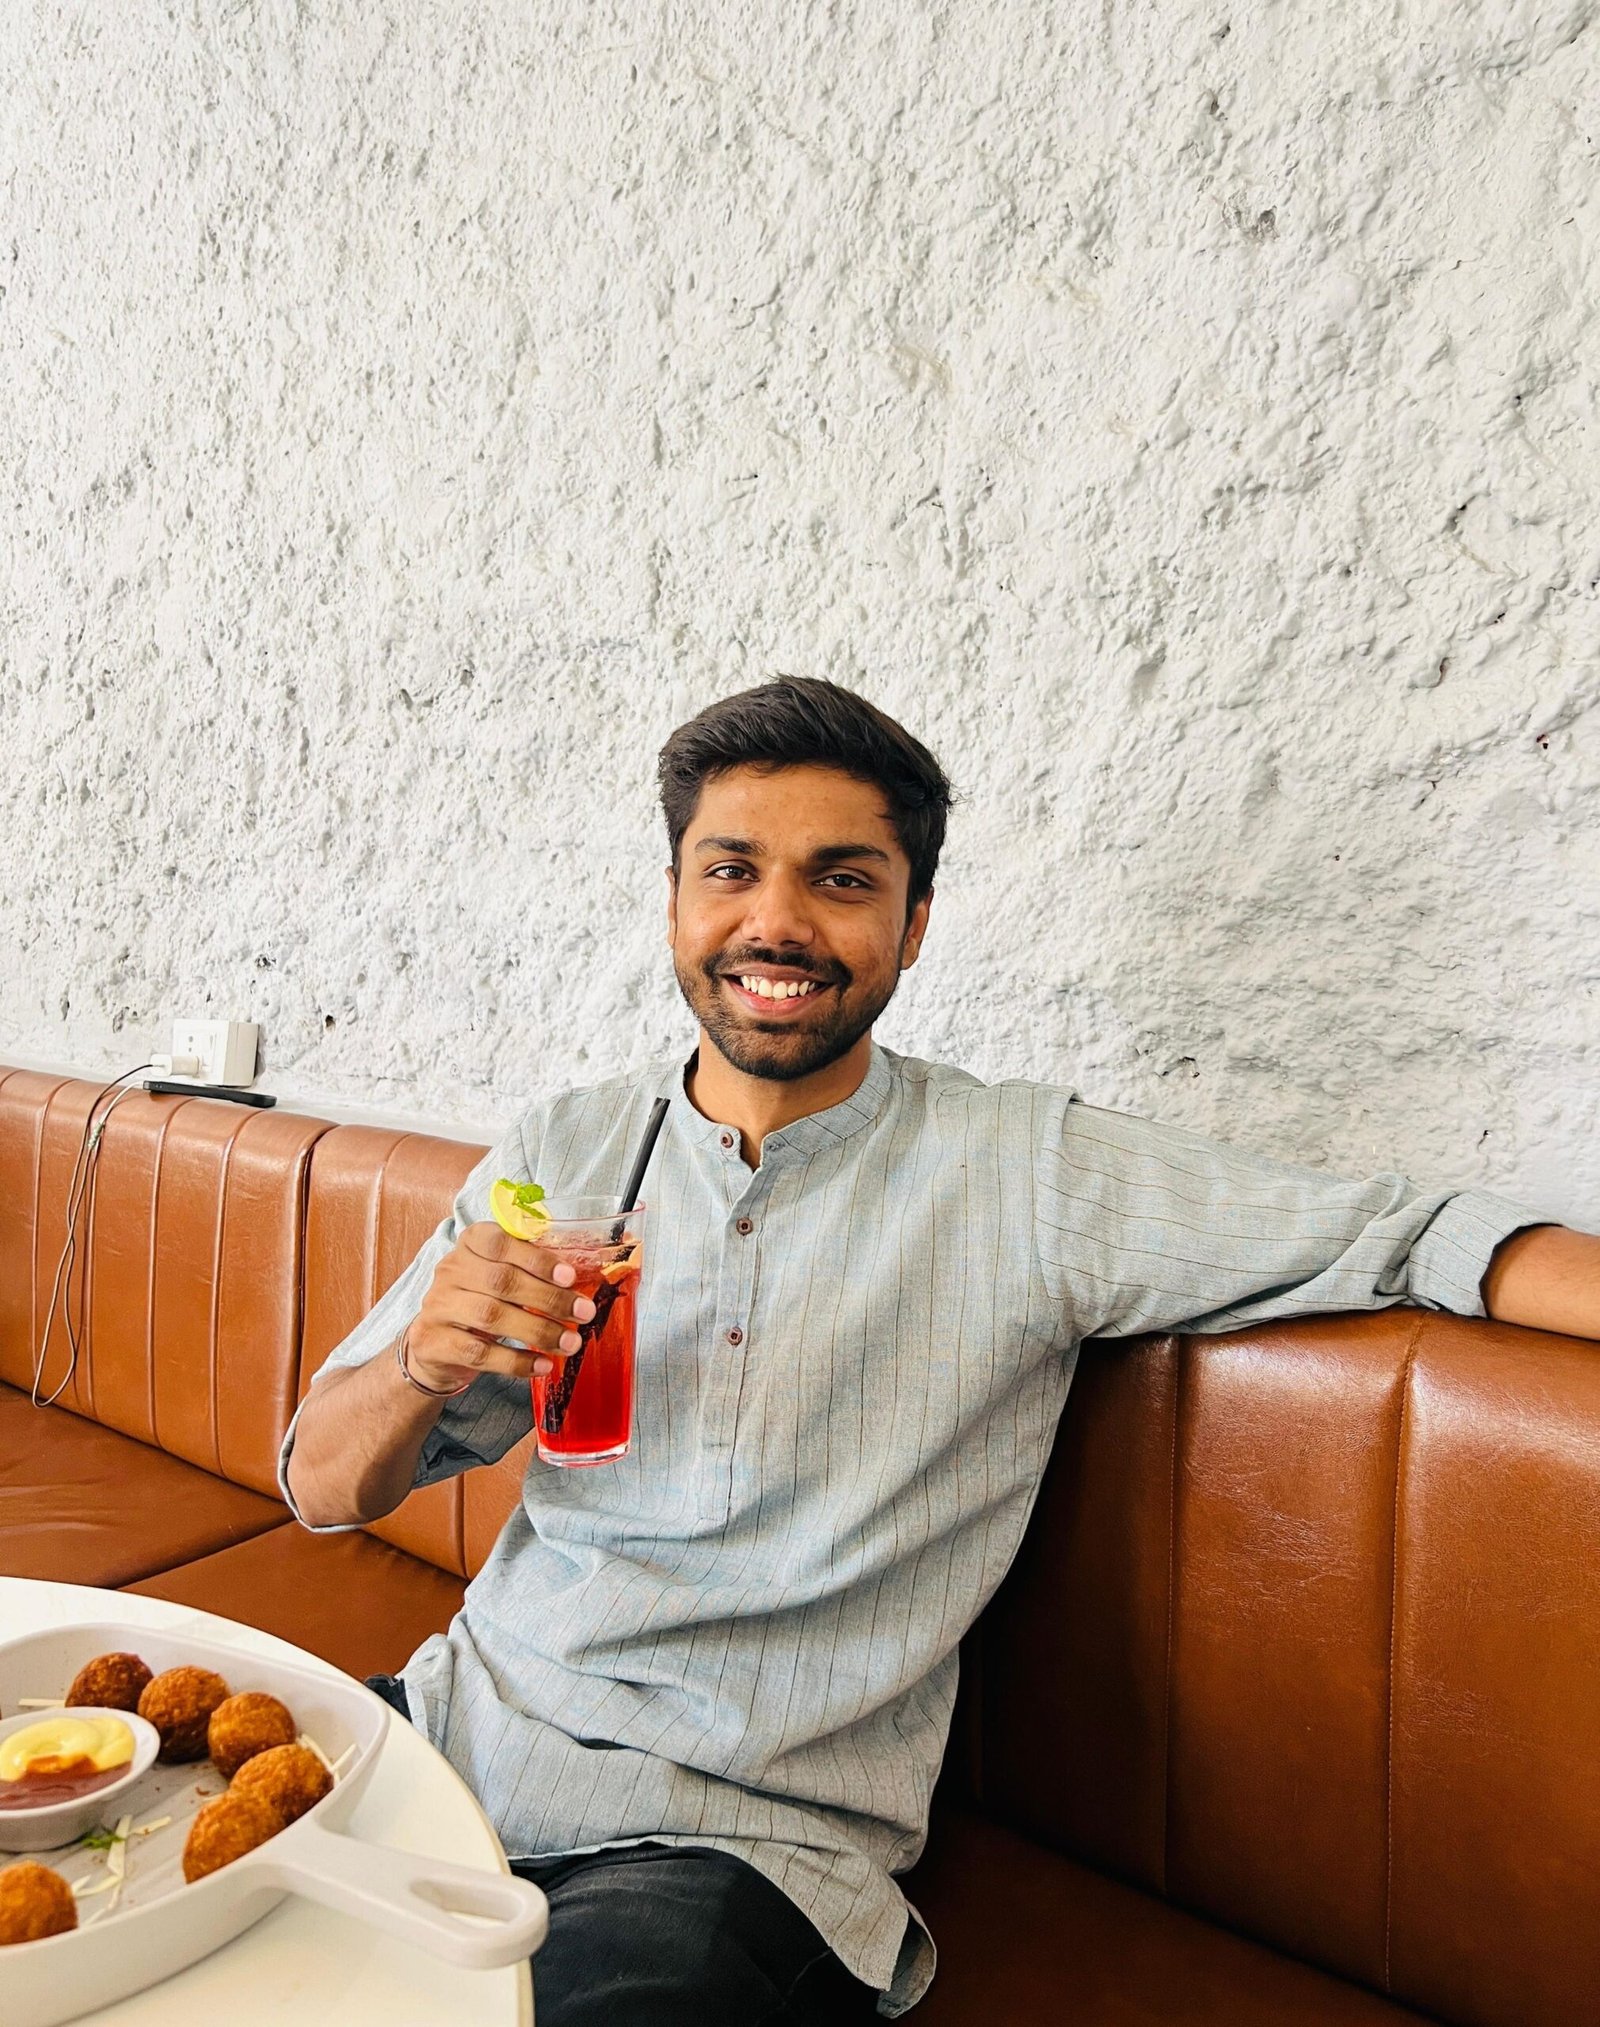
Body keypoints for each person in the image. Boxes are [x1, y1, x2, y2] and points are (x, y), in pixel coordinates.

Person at [280, 676, 1598, 2024]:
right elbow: (323, 1488)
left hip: (726, 1843)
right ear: (675, 903)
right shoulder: (560, 1153)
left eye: (841, 880)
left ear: (912, 928)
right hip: (439, 1739)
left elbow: (1408, 1234)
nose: (775, 922)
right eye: (731, 870)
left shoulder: (1024, 1171)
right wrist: (422, 1368)